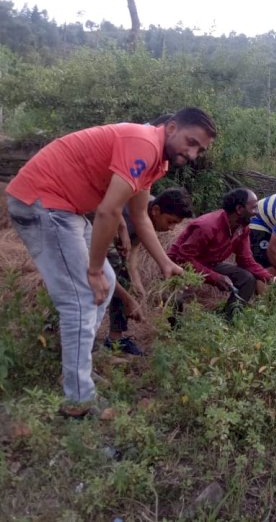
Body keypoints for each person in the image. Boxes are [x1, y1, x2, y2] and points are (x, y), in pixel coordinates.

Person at [5, 107, 217, 417]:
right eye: (191, 142)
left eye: (200, 149)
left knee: (108, 280)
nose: (194, 153)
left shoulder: (157, 158)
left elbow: (141, 215)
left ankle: (78, 370)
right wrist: (91, 270)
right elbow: (108, 212)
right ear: (171, 127)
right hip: (43, 203)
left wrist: (165, 263)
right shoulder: (143, 143)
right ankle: (78, 402)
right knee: (81, 298)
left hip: (66, 209)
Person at [168, 188, 276, 313]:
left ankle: (228, 321)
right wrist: (215, 277)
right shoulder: (207, 226)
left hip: (209, 264)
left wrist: (272, 279)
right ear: (239, 209)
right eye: (253, 208)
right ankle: (174, 329)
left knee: (246, 279)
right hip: (179, 265)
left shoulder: (242, 228)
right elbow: (183, 259)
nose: (257, 213)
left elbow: (246, 260)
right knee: (177, 299)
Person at [105, 188, 194, 356]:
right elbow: (102, 269)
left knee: (125, 279)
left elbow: (134, 246)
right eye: (170, 221)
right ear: (156, 211)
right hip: (88, 236)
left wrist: (136, 279)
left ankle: (115, 340)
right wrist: (128, 299)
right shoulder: (125, 217)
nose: (171, 228)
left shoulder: (149, 208)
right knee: (106, 285)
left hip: (111, 244)